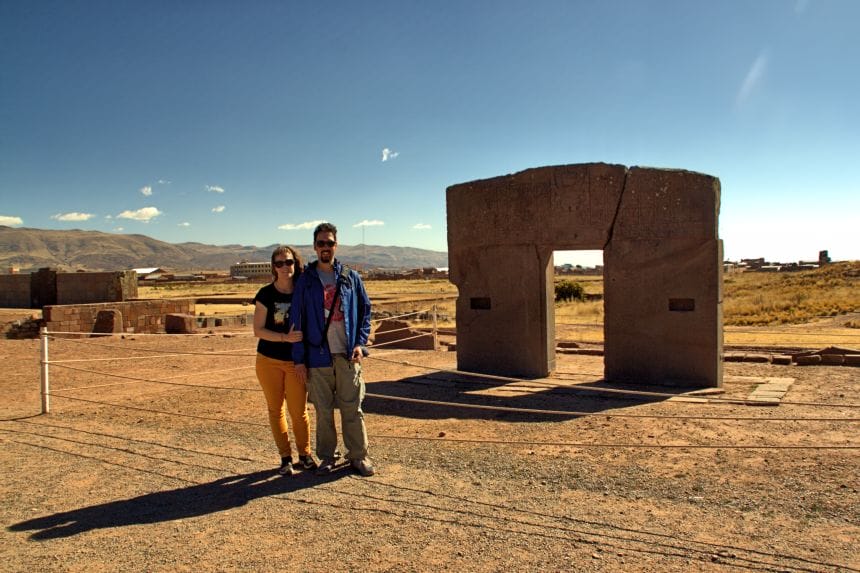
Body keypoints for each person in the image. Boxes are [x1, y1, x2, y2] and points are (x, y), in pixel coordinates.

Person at [291, 222, 374, 477]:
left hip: (348, 354)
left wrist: (360, 343)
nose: (325, 247)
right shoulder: (305, 281)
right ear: (315, 247)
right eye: (320, 243)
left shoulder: (350, 277)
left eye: (329, 243)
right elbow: (297, 319)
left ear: (336, 245)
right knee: (323, 410)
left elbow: (365, 311)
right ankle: (327, 457)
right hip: (317, 356)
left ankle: (358, 457)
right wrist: (299, 359)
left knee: (352, 408)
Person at [253, 245, 317, 476]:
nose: (284, 267)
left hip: (295, 362)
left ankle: (305, 455)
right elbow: (258, 330)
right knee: (275, 409)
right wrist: (284, 338)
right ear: (273, 267)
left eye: (288, 262)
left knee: (299, 410)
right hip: (268, 360)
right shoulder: (266, 294)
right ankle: (285, 458)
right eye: (279, 263)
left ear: (295, 264)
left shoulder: (304, 292)